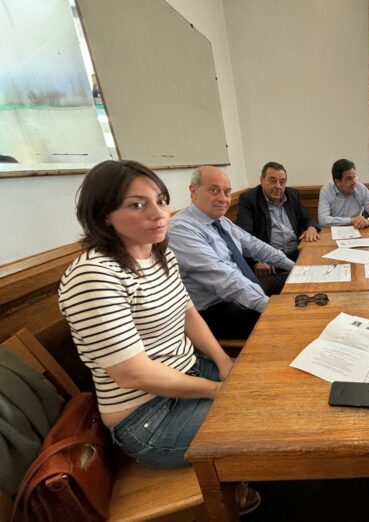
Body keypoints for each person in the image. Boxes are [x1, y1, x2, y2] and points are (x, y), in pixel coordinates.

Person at [56, 160, 261, 513]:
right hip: (147, 415)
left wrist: (223, 362)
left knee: (266, 387)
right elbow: (132, 373)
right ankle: (230, 485)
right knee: (257, 417)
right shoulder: (93, 276)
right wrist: (216, 390)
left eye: (161, 201)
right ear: (104, 214)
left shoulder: (158, 254)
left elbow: (189, 313)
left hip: (189, 372)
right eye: (138, 205)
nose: (159, 214)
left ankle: (238, 472)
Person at [169, 166, 294, 339]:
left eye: (227, 192)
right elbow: (224, 279)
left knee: (293, 280)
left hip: (243, 288)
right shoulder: (180, 229)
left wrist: (295, 267)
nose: (223, 198)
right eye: (214, 190)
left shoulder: (221, 221)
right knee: (290, 322)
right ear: (193, 191)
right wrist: (269, 306)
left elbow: (255, 245)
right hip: (216, 310)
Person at [237, 161, 320, 263]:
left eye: (282, 182)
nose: (278, 186)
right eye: (273, 181)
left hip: (297, 253)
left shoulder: (292, 195)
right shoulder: (249, 199)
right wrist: (257, 261)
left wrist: (311, 227)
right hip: (269, 260)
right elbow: (244, 236)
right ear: (262, 180)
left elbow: (307, 217)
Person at [318, 158, 369, 228]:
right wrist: (351, 220)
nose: (353, 182)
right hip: (333, 231)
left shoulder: (360, 188)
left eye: (354, 177)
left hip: (356, 229)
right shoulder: (327, 190)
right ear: (337, 182)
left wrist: (368, 221)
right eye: (348, 179)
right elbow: (323, 220)